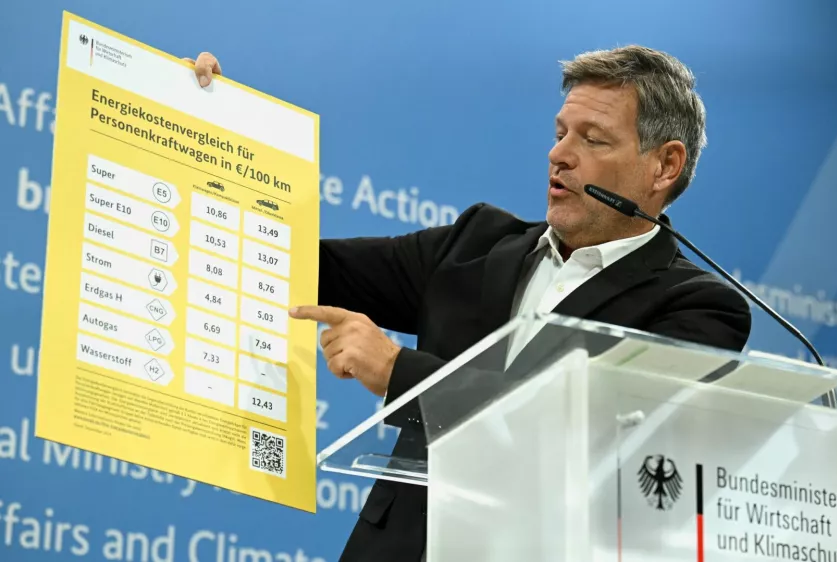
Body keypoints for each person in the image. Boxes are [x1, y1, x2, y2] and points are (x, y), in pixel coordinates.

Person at [186, 45, 751, 561]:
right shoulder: (476, 244)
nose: (560, 154)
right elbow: (302, 265)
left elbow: (589, 444)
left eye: (593, 139)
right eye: (560, 132)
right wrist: (213, 128)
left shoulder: (697, 309)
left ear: (665, 165)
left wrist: (398, 372)